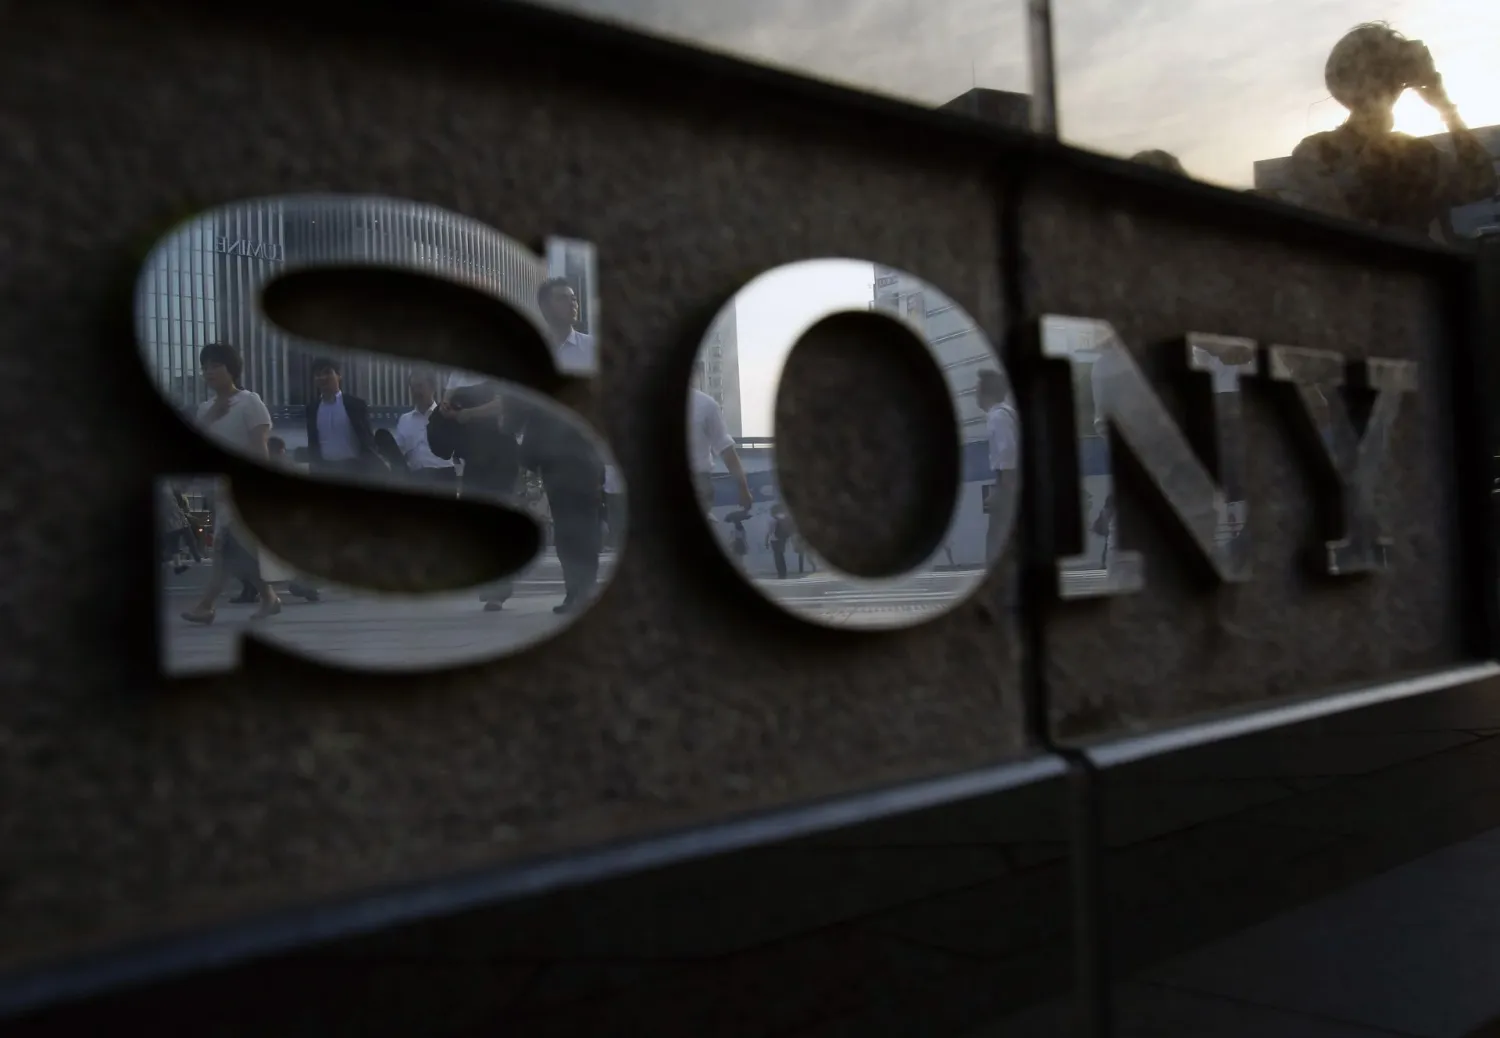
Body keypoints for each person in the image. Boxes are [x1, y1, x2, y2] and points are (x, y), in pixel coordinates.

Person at [1282, 23, 1496, 240]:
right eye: (1378, 73)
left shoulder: (1316, 153)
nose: (1380, 85)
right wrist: (1445, 107)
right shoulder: (1318, 153)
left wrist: (1444, 106)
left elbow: (1483, 185)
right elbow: (1481, 183)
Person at [180, 343, 281, 624]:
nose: (209, 371)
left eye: (215, 365)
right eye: (205, 367)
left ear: (231, 370)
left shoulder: (250, 402)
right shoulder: (205, 409)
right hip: (220, 489)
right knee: (241, 549)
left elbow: (259, 449)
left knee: (225, 547)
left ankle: (206, 605)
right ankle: (269, 597)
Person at [441, 368, 522, 611]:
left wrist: (468, 414)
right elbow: (447, 402)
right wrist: (447, 410)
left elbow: (503, 404)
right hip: (474, 453)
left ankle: (500, 587)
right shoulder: (457, 374)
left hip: (501, 451)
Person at [688, 361, 753, 514]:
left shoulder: (706, 405)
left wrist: (743, 487)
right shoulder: (706, 405)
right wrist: (743, 488)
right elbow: (726, 449)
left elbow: (726, 448)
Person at [306, 357, 382, 476]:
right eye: (318, 374)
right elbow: (313, 442)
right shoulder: (312, 408)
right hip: (324, 469)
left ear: (339, 375)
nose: (322, 377)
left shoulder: (355, 405)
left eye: (327, 372)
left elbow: (368, 440)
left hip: (354, 469)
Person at [975, 369, 1019, 563]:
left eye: (977, 390)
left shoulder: (998, 417)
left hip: (1008, 481)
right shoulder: (1007, 413)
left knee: (996, 537)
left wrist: (1003, 488)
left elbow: (1008, 450)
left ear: (986, 393)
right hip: (1010, 480)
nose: (975, 394)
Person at [394, 370, 459, 489]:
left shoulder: (445, 414)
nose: (415, 392)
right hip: (416, 479)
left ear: (432, 387)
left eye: (419, 386)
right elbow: (397, 451)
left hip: (444, 477)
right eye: (412, 388)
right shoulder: (404, 420)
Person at [766, 503, 794, 579]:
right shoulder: (782, 518)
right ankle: (784, 572)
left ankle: (780, 573)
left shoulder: (772, 520)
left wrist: (766, 542)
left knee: (777, 557)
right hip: (782, 540)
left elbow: (770, 532)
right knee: (781, 556)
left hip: (774, 540)